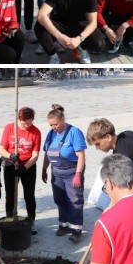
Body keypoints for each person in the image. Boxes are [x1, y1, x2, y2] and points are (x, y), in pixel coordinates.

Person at [35, 0, 104, 64]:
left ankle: (81, 48)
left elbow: (93, 22)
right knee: (39, 26)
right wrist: (59, 36)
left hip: (80, 26)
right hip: (61, 25)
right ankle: (53, 55)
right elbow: (41, 15)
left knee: (99, 44)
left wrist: (79, 39)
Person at [42, 104, 87, 243]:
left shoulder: (74, 132)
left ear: (63, 119)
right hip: (56, 173)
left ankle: (76, 231)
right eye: (51, 125)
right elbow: (47, 153)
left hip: (71, 172)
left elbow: (81, 156)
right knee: (59, 199)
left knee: (74, 201)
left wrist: (78, 174)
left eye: (55, 124)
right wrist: (44, 169)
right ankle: (64, 225)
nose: (53, 127)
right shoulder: (51, 134)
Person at [85, 119, 133, 199]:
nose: (97, 148)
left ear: (108, 137)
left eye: (98, 144)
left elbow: (124, 188)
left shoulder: (122, 157)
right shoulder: (128, 133)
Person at [0, 107, 41, 234]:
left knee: (29, 194)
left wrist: (25, 167)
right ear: (18, 119)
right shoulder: (10, 128)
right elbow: (1, 148)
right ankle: (10, 218)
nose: (27, 126)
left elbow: (35, 155)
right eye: (24, 123)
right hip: (10, 164)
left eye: (30, 123)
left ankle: (31, 220)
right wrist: (10, 156)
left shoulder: (35, 132)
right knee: (10, 194)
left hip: (28, 165)